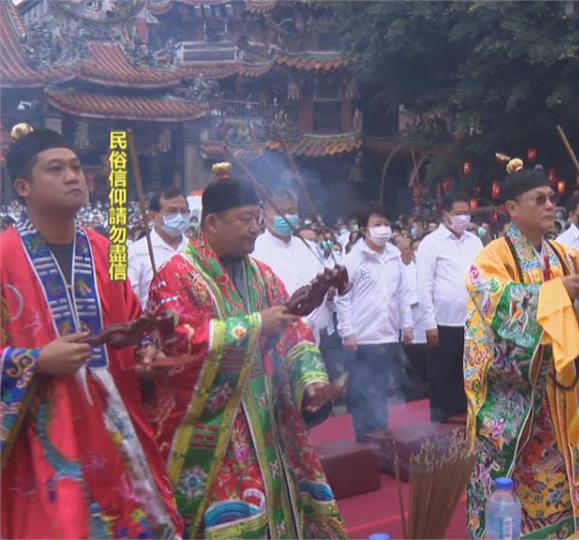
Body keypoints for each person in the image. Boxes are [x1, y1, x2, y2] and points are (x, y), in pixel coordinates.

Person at [1, 125, 181, 537]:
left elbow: (132, 321)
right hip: (42, 445)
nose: (72, 177)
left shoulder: (108, 250)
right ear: (23, 186)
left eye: (77, 167)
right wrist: (35, 360)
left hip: (117, 434)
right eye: (56, 169)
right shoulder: (3, 258)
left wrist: (146, 355)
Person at [144, 172, 346, 538]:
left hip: (270, 421)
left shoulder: (263, 276)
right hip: (219, 432)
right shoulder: (176, 275)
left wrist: (312, 383)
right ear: (211, 222)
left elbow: (294, 331)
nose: (255, 228)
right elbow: (181, 343)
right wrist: (253, 326)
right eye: (245, 219)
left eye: (257, 218)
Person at [464, 160, 579, 538]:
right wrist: (554, 293)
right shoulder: (493, 258)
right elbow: (493, 301)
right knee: (519, 497)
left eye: (552, 198)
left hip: (569, 397)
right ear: (512, 209)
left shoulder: (567, 257)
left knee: (575, 489)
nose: (551, 205)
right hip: (526, 403)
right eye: (540, 199)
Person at [335, 202, 413, 441]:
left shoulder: (394, 256)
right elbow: (343, 297)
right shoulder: (353, 258)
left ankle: (381, 436)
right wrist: (347, 332)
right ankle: (363, 440)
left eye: (386, 224)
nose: (383, 229)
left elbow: (402, 293)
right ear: (364, 230)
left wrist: (407, 325)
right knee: (360, 391)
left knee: (380, 390)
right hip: (361, 337)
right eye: (376, 225)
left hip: (387, 334)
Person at [416, 193, 483, 422]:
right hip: (443, 322)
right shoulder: (430, 244)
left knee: (465, 375)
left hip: (471, 321)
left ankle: (465, 420)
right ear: (445, 215)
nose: (464, 217)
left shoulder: (475, 242)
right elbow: (423, 286)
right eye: (458, 213)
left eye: (467, 212)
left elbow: (482, 278)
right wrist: (429, 323)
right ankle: (440, 423)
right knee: (442, 375)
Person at [251, 186, 330, 343]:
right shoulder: (254, 252)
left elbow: (323, 290)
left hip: (312, 337)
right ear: (265, 215)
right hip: (275, 341)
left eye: (291, 211)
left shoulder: (310, 248)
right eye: (280, 212)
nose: (287, 217)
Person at [128, 187, 191, 307]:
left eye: (183, 211)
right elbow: (131, 300)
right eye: (172, 211)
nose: (179, 217)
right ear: (152, 216)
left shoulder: (195, 251)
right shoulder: (137, 252)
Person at [399, 237, 429, 401]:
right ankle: (413, 393)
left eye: (410, 249)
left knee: (425, 358)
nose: (410, 252)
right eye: (406, 249)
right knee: (410, 361)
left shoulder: (419, 268)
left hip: (423, 321)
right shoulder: (396, 269)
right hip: (407, 321)